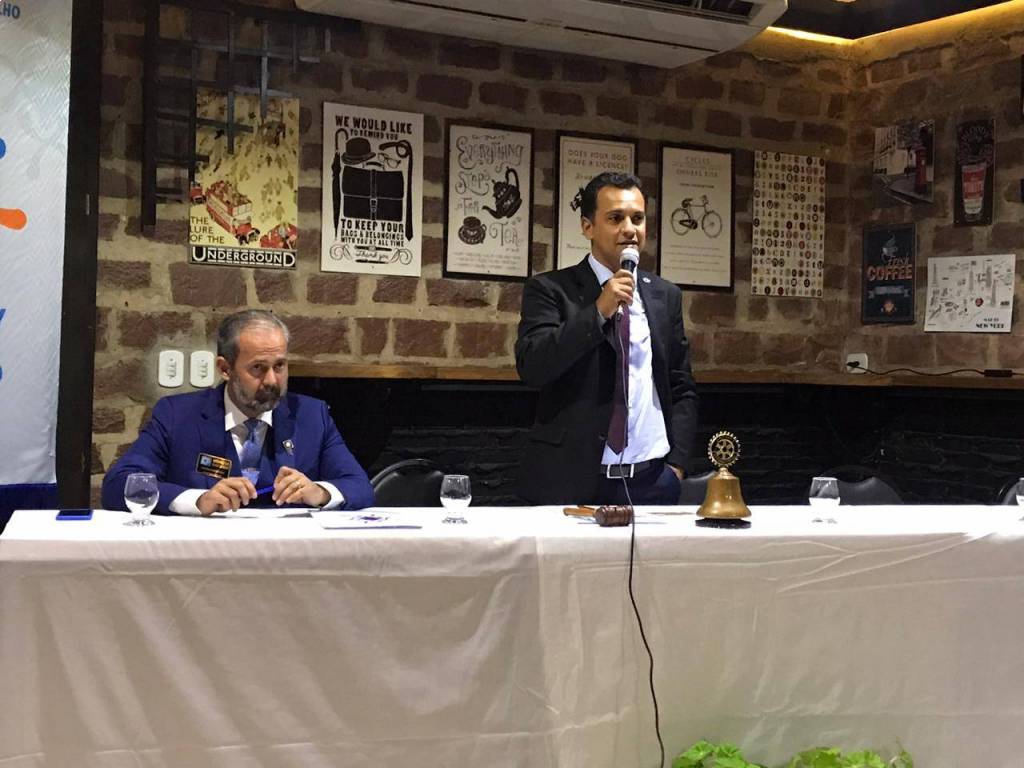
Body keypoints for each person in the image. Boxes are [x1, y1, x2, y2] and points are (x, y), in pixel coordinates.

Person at [515, 171, 698, 505]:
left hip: (653, 480)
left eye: (638, 218)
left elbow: (680, 384)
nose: (630, 229)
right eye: (615, 218)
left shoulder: (665, 295)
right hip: (573, 480)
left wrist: (677, 465)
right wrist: (599, 310)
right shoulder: (550, 289)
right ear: (588, 227)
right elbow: (533, 366)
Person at [101, 310, 374, 515]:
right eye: (258, 368)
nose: (272, 381)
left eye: (279, 366)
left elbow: (360, 486)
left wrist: (320, 493)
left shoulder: (312, 416)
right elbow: (119, 484)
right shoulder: (177, 415)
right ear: (225, 368)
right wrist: (198, 500)